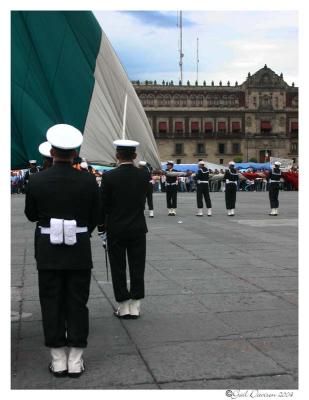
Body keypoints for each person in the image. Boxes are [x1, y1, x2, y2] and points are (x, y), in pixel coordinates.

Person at [24, 124, 100, 378]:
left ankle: (58, 361)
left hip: (48, 250)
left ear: (52, 151)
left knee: (51, 301)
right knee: (78, 302)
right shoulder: (89, 180)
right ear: (75, 151)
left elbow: (31, 215)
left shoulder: (36, 180)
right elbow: (96, 216)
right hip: (78, 249)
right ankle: (76, 361)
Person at [98, 139, 149, 319]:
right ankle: (136, 304)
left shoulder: (109, 176)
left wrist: (101, 228)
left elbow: (103, 206)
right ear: (134, 156)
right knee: (137, 266)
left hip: (116, 228)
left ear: (117, 156)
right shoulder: (144, 175)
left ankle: (123, 304)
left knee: (118, 267)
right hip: (137, 227)